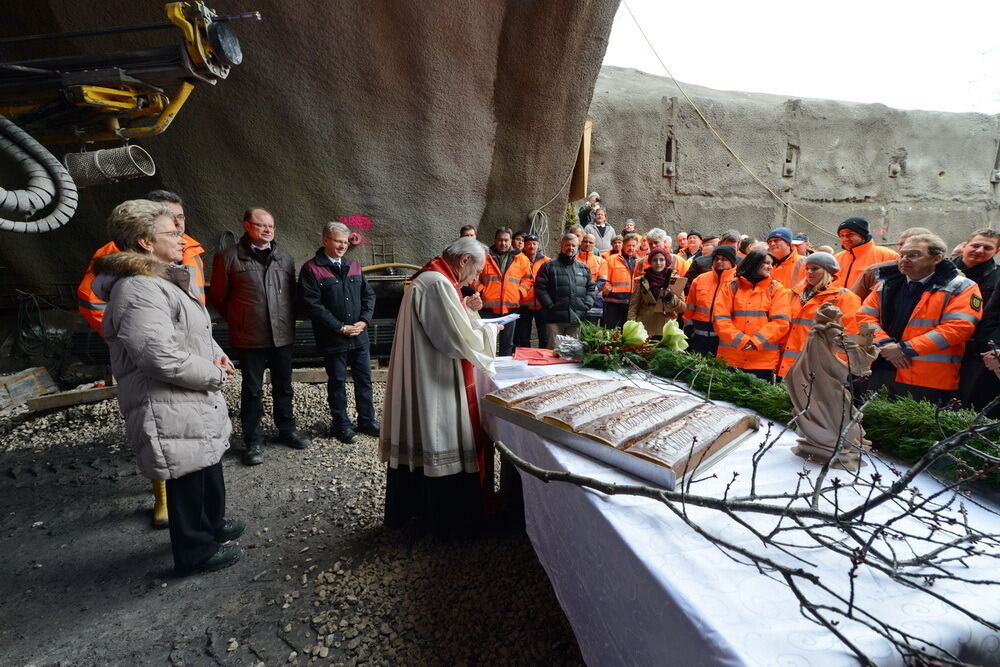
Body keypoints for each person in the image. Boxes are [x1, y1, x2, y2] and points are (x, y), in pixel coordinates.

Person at [92, 199, 243, 576]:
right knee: (186, 473)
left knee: (205, 464)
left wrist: (218, 355)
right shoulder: (138, 290)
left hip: (185, 395)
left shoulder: (161, 280)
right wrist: (213, 374)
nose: (182, 237)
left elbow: (194, 332)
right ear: (144, 242)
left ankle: (212, 526)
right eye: (172, 231)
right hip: (168, 401)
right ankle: (195, 552)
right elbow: (157, 356)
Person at [76, 189, 203, 530]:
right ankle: (168, 506)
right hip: (162, 359)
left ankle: (200, 522)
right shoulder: (123, 265)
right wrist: (124, 337)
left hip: (188, 351)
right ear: (147, 234)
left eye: (181, 219)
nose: (179, 226)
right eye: (171, 222)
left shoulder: (188, 249)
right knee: (164, 436)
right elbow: (92, 301)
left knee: (189, 437)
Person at [380, 237, 502, 534]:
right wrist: (490, 331)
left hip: (428, 370)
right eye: (477, 270)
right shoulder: (437, 284)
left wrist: (468, 309)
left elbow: (450, 322)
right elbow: (455, 340)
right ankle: (451, 522)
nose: (476, 278)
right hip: (436, 377)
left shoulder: (435, 278)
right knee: (442, 434)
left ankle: (421, 512)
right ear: (463, 260)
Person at [209, 207, 310, 466]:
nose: (268, 230)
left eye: (271, 226)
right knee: (252, 390)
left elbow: (291, 296)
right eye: (262, 225)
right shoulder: (228, 257)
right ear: (246, 225)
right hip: (249, 335)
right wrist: (241, 318)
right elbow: (219, 298)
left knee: (284, 386)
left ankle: (287, 430)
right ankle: (254, 441)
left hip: (282, 334)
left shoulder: (284, 259)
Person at [857, 233, 981, 404]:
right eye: (902, 255)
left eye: (914, 255)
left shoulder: (961, 286)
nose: (904, 259)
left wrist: (905, 349)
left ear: (937, 258)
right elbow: (864, 316)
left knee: (914, 429)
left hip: (925, 377)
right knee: (870, 426)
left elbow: (959, 327)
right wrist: (884, 344)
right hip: (880, 368)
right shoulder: (886, 284)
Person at [297, 222, 379, 443]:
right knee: (337, 382)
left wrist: (364, 321)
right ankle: (341, 425)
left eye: (345, 242)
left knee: (364, 379)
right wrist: (339, 326)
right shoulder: (311, 269)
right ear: (325, 240)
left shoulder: (354, 266)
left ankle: (367, 420)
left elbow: (368, 296)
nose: (342, 245)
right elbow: (312, 305)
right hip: (333, 337)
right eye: (337, 241)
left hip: (359, 336)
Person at [777, 252, 861, 379]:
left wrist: (837, 368)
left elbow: (850, 336)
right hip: (786, 366)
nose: (809, 272)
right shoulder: (794, 294)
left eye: (815, 268)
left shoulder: (845, 297)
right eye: (807, 268)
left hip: (818, 369)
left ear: (828, 271)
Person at [713, 250, 792, 382]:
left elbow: (780, 322)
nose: (770, 267)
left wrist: (755, 342)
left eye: (771, 264)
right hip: (731, 358)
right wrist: (742, 341)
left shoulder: (777, 289)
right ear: (754, 263)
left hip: (762, 362)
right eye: (766, 263)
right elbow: (720, 319)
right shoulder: (731, 286)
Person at [954, 229, 1000, 415]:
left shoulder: (997, 278)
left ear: (996, 251)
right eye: (975, 245)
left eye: (987, 247)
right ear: (965, 245)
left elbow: (993, 318)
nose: (980, 250)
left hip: (976, 354)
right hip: (939, 349)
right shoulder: (941, 272)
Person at [473, 227, 531, 356]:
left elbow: (528, 280)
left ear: (511, 241)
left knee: (507, 345)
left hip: (510, 310)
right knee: (487, 343)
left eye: (506, 240)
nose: (503, 243)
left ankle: (502, 373)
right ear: (494, 240)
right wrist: (482, 291)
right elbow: (473, 277)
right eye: (500, 240)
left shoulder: (521, 258)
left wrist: (519, 292)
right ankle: (486, 373)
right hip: (487, 310)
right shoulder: (484, 256)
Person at [535, 234, 594, 346]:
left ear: (578, 247)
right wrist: (551, 306)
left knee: (571, 355)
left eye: (573, 245)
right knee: (553, 354)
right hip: (554, 319)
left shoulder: (583, 268)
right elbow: (540, 288)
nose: (570, 248)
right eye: (567, 245)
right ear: (561, 246)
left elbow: (591, 287)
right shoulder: (549, 266)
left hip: (576, 319)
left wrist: (586, 305)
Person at [850, 227, 931, 301]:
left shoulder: (940, 276)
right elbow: (851, 302)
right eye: (901, 244)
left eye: (911, 243)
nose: (904, 248)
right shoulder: (876, 272)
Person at [684, 246, 737, 355]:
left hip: (723, 341)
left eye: (724, 259)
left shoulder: (738, 283)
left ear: (732, 262)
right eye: (716, 258)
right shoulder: (700, 279)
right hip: (698, 338)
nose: (719, 261)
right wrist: (689, 328)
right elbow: (690, 306)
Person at [628, 248, 685, 337]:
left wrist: (670, 297)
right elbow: (633, 306)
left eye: (661, 260)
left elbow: (682, 308)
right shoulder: (643, 280)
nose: (658, 263)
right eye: (655, 260)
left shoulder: (675, 280)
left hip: (666, 328)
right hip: (644, 327)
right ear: (650, 262)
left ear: (666, 261)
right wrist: (631, 327)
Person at [834, 217, 898, 290]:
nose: (845, 239)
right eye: (841, 235)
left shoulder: (888, 256)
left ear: (863, 235)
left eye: (850, 235)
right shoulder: (836, 258)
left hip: (871, 301)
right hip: (839, 301)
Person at [515, 233, 549, 349]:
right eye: (529, 244)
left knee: (544, 337)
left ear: (538, 245)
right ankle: (525, 361)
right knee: (523, 338)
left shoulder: (547, 261)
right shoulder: (517, 260)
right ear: (524, 245)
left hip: (542, 304)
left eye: (534, 244)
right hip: (523, 305)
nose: (532, 246)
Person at [602, 233, 640, 328]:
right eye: (629, 245)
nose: (631, 248)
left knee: (626, 332)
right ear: (623, 245)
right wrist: (609, 289)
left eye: (633, 246)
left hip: (630, 304)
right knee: (609, 330)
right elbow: (604, 279)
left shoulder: (638, 262)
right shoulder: (611, 260)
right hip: (613, 302)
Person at [578, 233, 608, 324]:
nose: (587, 244)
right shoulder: (574, 259)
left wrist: (590, 294)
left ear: (595, 244)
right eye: (585, 241)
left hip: (594, 302)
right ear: (581, 242)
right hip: (577, 300)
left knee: (590, 332)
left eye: (590, 242)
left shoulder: (601, 261)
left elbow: (602, 282)